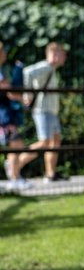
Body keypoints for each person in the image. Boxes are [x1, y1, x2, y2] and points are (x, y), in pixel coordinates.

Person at [17, 42, 70, 183]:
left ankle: (50, 174)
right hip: (42, 111)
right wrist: (27, 94)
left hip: (51, 112)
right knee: (44, 142)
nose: (64, 57)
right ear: (55, 54)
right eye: (62, 54)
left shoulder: (51, 69)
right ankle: (15, 165)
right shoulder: (45, 66)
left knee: (55, 140)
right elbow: (27, 71)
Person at [0, 42, 31, 190]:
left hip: (5, 115)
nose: (5, 55)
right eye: (3, 52)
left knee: (15, 145)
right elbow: (9, 91)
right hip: (3, 116)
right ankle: (15, 177)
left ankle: (15, 177)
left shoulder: (2, 70)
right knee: (16, 145)